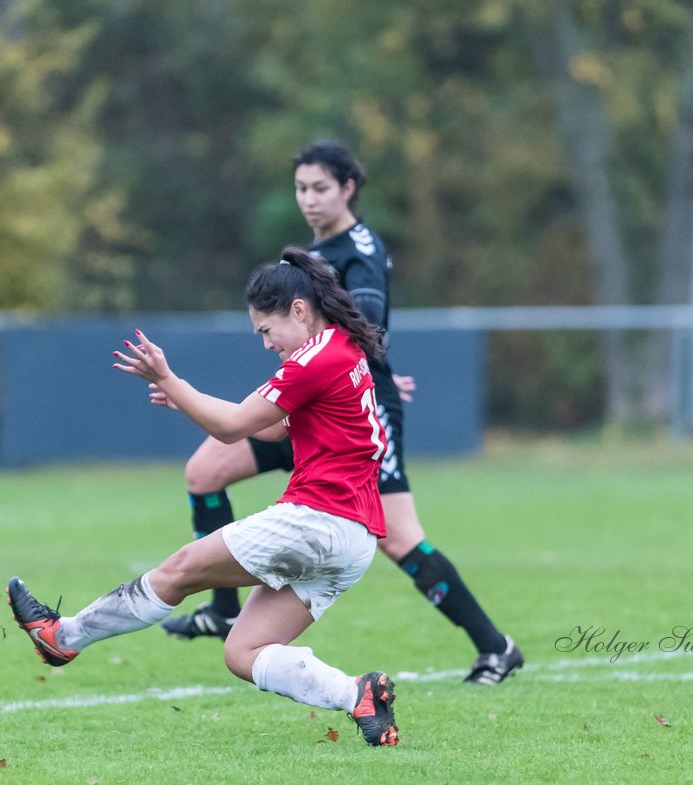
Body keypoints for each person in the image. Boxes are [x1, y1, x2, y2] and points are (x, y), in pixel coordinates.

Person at [161, 140, 524, 685]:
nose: (308, 198)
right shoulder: (307, 256)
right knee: (205, 471)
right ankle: (225, 609)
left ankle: (496, 647)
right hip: (304, 410)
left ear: (348, 188)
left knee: (398, 538)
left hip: (355, 412)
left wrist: (377, 372)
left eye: (320, 188)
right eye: (301, 188)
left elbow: (363, 321)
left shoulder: (361, 248)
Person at [7, 247, 399, 746]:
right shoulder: (341, 347)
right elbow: (278, 430)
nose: (266, 344)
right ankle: (358, 696)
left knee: (179, 571)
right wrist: (187, 400)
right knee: (243, 651)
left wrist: (170, 378)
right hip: (355, 541)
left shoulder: (313, 358)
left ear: (298, 311)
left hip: (317, 520)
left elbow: (234, 427)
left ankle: (61, 638)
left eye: (266, 330)